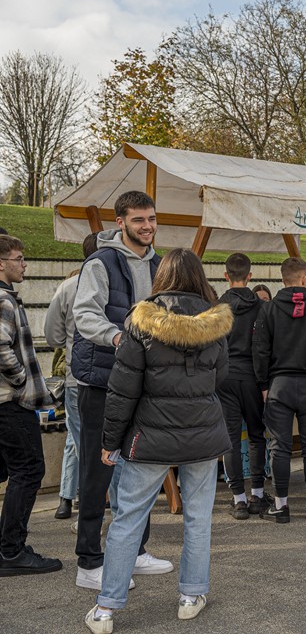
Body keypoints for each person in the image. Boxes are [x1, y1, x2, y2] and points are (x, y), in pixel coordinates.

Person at [84, 248, 232, 632]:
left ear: (161, 276)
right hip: (203, 432)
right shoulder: (216, 322)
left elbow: (122, 389)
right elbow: (219, 378)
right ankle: (191, 594)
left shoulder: (141, 321)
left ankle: (106, 609)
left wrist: (110, 441)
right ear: (200, 277)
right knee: (198, 519)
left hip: (150, 435)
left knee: (128, 518)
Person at [71, 191, 172, 590]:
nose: (147, 227)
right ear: (120, 223)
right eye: (138, 220)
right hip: (102, 382)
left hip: (143, 385)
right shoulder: (100, 263)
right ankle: (89, 561)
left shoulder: (161, 265)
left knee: (141, 469)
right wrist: (120, 340)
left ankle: (135, 550)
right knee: (98, 472)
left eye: (151, 219)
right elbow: (85, 316)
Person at [253, 257, 306, 523]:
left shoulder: (269, 309)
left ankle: (281, 505)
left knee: (280, 447)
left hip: (279, 385)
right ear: (303, 278)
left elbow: (261, 351)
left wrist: (264, 384)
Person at [0, 234, 62, 577]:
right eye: (18, 258)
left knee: (12, 471)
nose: (24, 264)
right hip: (11, 403)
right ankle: (11, 551)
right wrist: (22, 381)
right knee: (29, 471)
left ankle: (7, 546)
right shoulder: (4, 300)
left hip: (8, 402)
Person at [44, 233, 98, 520]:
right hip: (108, 377)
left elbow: (52, 334)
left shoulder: (66, 287)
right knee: (96, 440)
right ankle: (93, 497)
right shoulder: (115, 283)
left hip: (76, 376)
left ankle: (67, 497)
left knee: (76, 439)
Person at [217, 253, 269, 519]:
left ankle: (238, 498)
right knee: (257, 434)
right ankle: (257, 494)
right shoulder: (261, 307)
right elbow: (262, 347)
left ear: (226, 276)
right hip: (252, 374)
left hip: (225, 376)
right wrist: (263, 381)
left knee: (231, 438)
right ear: (250, 276)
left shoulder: (218, 306)